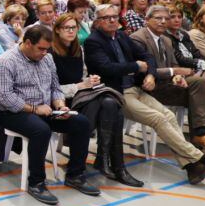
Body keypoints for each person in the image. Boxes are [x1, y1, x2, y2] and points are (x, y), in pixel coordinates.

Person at [84, 4, 205, 184]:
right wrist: (136, 66)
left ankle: (192, 167)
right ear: (98, 22)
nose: (111, 20)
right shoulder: (94, 41)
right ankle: (202, 158)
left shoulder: (121, 36)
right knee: (158, 118)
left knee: (169, 115)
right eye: (106, 18)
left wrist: (149, 74)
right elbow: (106, 68)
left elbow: (147, 57)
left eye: (114, 17)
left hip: (136, 88)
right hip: (116, 92)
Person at [0, 25, 96, 205]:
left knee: (82, 123)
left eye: (47, 49)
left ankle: (75, 174)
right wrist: (34, 109)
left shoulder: (47, 59)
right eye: (41, 49)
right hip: (13, 112)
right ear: (28, 43)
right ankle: (36, 182)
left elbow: (55, 87)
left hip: (46, 109)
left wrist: (60, 105)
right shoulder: (5, 61)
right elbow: (5, 98)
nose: (45, 53)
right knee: (41, 130)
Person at [131, 5, 205, 153]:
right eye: (158, 18)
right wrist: (175, 71)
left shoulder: (165, 40)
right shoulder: (137, 38)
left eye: (165, 19)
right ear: (147, 20)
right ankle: (204, 139)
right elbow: (143, 70)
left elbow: (174, 63)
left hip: (169, 84)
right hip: (149, 87)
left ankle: (202, 135)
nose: (163, 21)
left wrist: (178, 76)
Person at [50, 14, 140, 186]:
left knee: (111, 103)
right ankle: (108, 161)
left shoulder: (79, 50)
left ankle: (115, 164)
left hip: (80, 96)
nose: (71, 31)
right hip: (61, 100)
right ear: (57, 30)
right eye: (66, 28)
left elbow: (83, 76)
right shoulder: (50, 54)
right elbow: (51, 90)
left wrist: (91, 81)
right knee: (109, 104)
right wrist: (79, 86)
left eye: (73, 27)